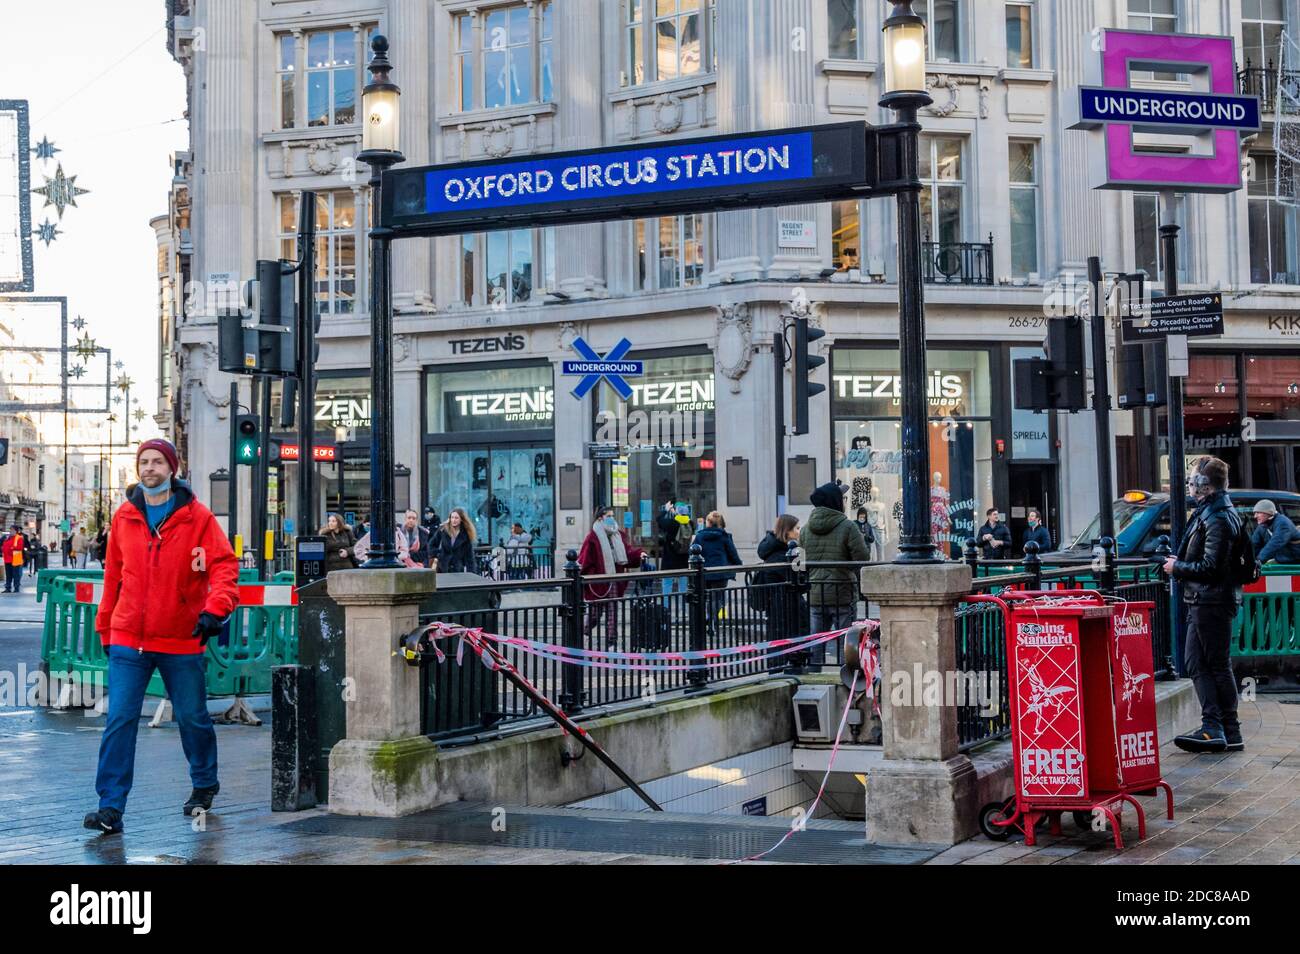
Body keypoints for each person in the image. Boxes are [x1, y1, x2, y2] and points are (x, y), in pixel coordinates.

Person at [83, 438, 239, 835]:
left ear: (173, 468)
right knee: (119, 719)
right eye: (143, 462)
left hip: (180, 637)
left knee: (192, 717)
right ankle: (111, 807)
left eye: (157, 462)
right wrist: (106, 625)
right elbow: (113, 576)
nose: (149, 468)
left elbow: (223, 567)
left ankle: (204, 784)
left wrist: (214, 610)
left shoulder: (197, 517)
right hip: (127, 637)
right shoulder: (124, 517)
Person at [1162, 456, 1244, 754]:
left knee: (1214, 664)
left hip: (1211, 599)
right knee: (1199, 662)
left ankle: (1219, 728)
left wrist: (1177, 567)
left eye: (1193, 480)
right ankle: (1221, 729)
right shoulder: (1214, 512)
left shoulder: (1218, 516)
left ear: (1203, 484)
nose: (1189, 485)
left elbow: (1212, 565)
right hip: (1206, 599)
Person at [800, 482, 870, 663]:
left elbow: (799, 563)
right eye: (843, 498)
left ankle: (814, 673)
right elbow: (862, 557)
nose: (845, 501)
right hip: (842, 592)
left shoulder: (806, 529)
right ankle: (845, 677)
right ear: (837, 502)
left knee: (816, 641)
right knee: (846, 641)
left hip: (816, 592)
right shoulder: (848, 526)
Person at [578, 506, 644, 648]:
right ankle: (583, 632)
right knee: (595, 614)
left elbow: (627, 552)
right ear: (600, 517)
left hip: (613, 578)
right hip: (598, 581)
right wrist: (591, 577)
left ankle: (611, 642)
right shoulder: (593, 537)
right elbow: (584, 560)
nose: (612, 518)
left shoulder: (617, 535)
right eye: (609, 516)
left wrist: (639, 554)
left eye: (613, 515)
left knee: (612, 613)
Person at [693, 511, 742, 638]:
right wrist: (740, 565)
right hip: (720, 572)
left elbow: (692, 553)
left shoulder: (699, 536)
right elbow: (732, 553)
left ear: (708, 522)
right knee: (718, 598)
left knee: (705, 597)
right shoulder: (724, 536)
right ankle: (712, 619)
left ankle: (707, 618)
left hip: (703, 571)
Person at [755, 514, 801, 649]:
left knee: (777, 639)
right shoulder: (791, 553)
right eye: (797, 528)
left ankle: (777, 666)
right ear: (787, 531)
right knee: (787, 639)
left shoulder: (770, 551)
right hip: (786, 604)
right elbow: (802, 582)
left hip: (775, 604)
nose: (799, 531)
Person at [656, 502, 693, 603]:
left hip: (669, 561)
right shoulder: (690, 523)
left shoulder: (671, 523)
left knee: (667, 586)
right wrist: (675, 513)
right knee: (683, 588)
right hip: (683, 560)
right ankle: (684, 611)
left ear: (677, 511)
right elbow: (681, 519)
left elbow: (659, 519)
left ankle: (666, 610)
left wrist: (666, 509)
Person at [1251, 500, 1300, 565]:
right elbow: (1254, 544)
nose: (1255, 516)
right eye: (1254, 513)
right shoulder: (1263, 525)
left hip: (1292, 562)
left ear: (1268, 513)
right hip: (1281, 559)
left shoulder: (1283, 523)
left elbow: (1274, 544)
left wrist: (1259, 560)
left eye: (1258, 513)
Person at [431, 507, 476, 573]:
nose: (454, 520)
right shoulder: (443, 530)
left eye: (456, 518)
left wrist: (472, 574)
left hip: (457, 569)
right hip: (442, 568)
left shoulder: (465, 535)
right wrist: (439, 554)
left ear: (461, 519)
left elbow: (469, 557)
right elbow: (431, 545)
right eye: (452, 517)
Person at [2, 524, 26, 593]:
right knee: (8, 575)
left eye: (12, 530)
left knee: (16, 575)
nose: (11, 531)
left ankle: (16, 588)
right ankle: (8, 588)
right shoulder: (7, 538)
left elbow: (20, 547)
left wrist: (11, 548)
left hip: (15, 560)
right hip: (7, 559)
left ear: (16, 531)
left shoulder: (19, 538)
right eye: (10, 530)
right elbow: (4, 545)